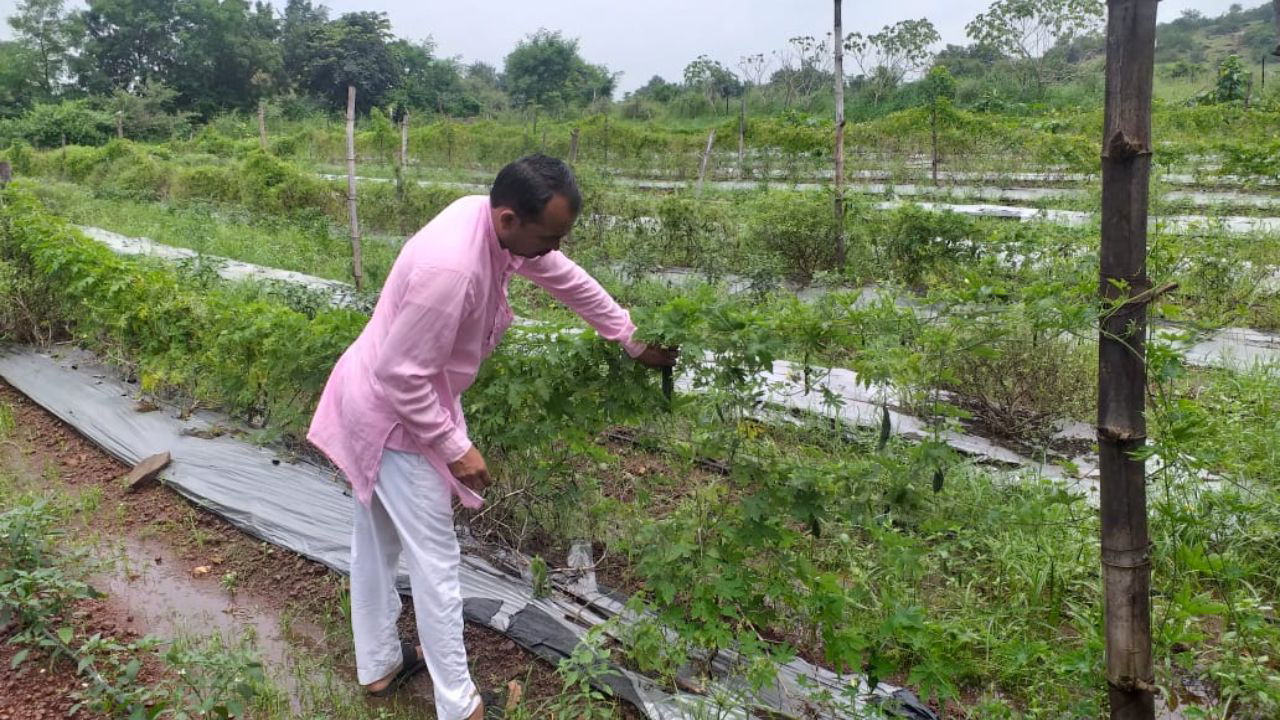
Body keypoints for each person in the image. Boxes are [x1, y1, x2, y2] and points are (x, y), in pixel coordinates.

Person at [307, 154, 676, 720]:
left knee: (377, 543)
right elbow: (399, 375)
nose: (553, 249)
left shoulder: (490, 225)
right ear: (508, 219)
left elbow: (564, 277)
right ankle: (461, 709)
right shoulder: (451, 270)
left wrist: (628, 337)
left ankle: (379, 664)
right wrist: (456, 448)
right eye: (548, 236)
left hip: (391, 401)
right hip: (395, 415)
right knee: (435, 563)